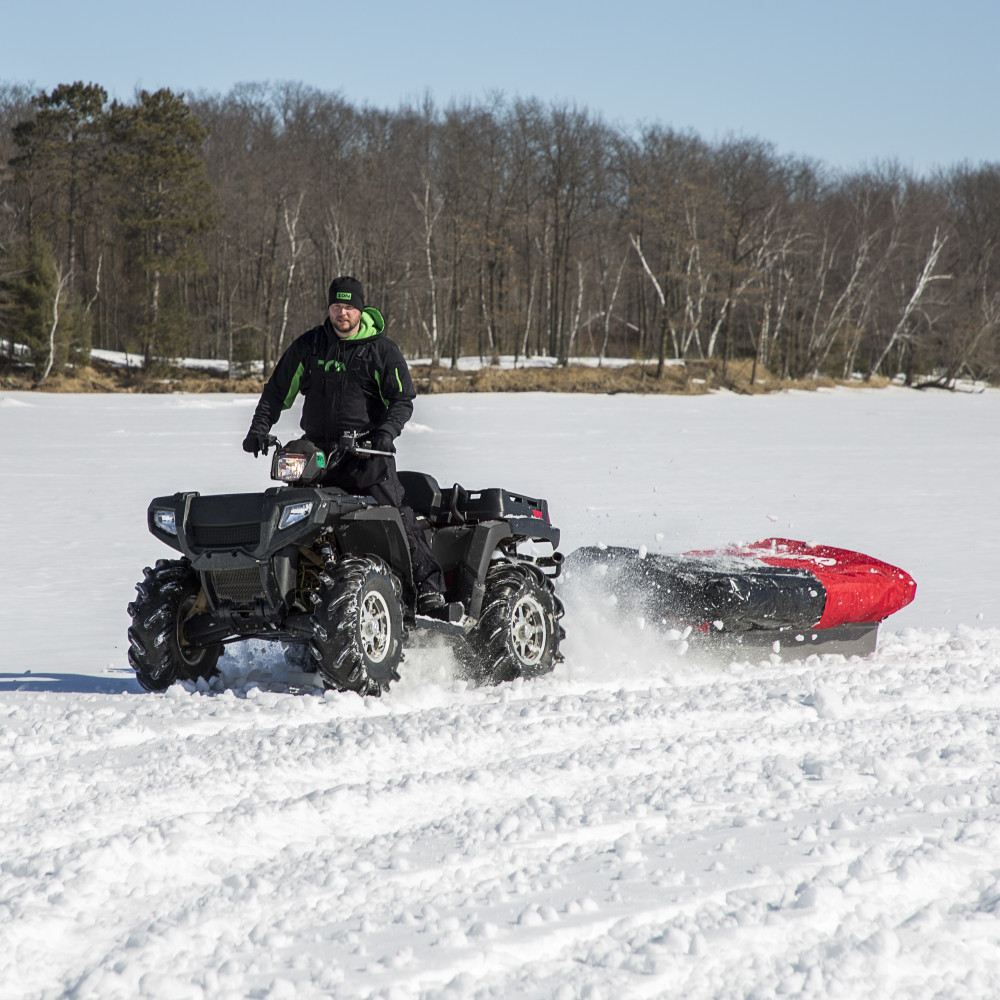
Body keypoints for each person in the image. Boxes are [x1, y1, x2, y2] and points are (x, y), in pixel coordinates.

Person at [242, 275, 447, 613]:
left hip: (366, 455)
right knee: (288, 517)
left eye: (349, 307)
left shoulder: (381, 350)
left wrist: (386, 433)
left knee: (396, 514)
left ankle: (429, 588)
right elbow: (277, 391)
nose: (343, 313)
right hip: (317, 458)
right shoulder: (310, 346)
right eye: (337, 306)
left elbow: (402, 399)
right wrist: (259, 428)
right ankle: (289, 590)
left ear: (360, 309)